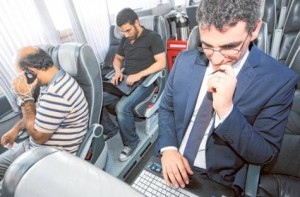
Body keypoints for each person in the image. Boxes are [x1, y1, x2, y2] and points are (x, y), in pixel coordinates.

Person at [157, 0, 298, 196]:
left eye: (230, 47)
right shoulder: (184, 61)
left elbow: (264, 153)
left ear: (255, 29)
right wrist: (169, 149)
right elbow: (167, 109)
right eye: (207, 45)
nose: (216, 59)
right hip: (171, 162)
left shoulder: (279, 80)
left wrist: (226, 109)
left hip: (218, 179)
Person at [0, 46, 89, 181]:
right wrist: (16, 129)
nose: (19, 79)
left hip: (49, 155)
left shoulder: (56, 94)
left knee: (11, 183)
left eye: (20, 74)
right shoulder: (52, 80)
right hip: (35, 146)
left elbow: (38, 137)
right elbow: (39, 111)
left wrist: (25, 98)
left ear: (31, 72)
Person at [101, 8, 166, 162]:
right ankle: (111, 129)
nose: (126, 34)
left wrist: (139, 74)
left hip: (145, 82)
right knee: (99, 98)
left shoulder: (152, 38)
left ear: (137, 22)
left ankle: (131, 142)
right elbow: (117, 59)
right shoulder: (125, 39)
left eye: (128, 30)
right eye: (123, 32)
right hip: (126, 79)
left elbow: (162, 63)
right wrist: (117, 71)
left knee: (122, 107)